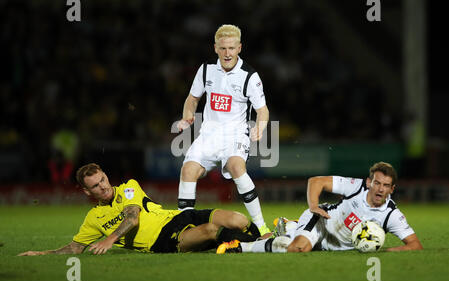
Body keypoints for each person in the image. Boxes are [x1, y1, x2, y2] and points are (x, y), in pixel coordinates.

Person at [18, 163, 260, 256]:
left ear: (105, 174)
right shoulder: (93, 218)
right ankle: (261, 246)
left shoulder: (128, 188)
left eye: (102, 179)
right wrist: (42, 254)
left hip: (178, 216)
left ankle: (262, 239)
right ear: (87, 192)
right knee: (211, 231)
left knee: (237, 218)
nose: (103, 187)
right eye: (95, 186)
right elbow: (75, 247)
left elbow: (132, 218)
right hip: (162, 240)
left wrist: (110, 239)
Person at [176, 24, 270, 235]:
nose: (227, 53)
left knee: (237, 167)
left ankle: (261, 226)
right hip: (208, 134)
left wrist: (260, 128)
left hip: (235, 134)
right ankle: (184, 228)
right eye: (223, 48)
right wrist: (187, 115)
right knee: (188, 170)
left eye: (232, 48)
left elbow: (262, 110)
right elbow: (192, 98)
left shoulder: (249, 76)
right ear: (215, 48)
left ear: (239, 48)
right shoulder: (206, 69)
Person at [217, 161, 423, 254]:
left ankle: (289, 227)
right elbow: (316, 181)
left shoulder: (391, 214)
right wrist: (314, 206)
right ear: (369, 182)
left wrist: (386, 251)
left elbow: (415, 245)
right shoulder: (356, 186)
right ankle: (240, 247)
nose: (380, 189)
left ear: (392, 189)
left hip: (331, 246)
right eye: (377, 183)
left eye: (386, 186)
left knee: (288, 240)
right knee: (297, 249)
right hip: (321, 223)